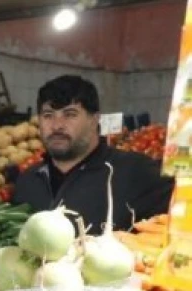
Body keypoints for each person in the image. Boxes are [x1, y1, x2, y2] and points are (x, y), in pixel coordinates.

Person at [12, 75, 173, 231]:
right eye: (48, 115)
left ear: (94, 120)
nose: (57, 125)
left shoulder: (135, 172)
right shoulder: (28, 181)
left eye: (70, 114)